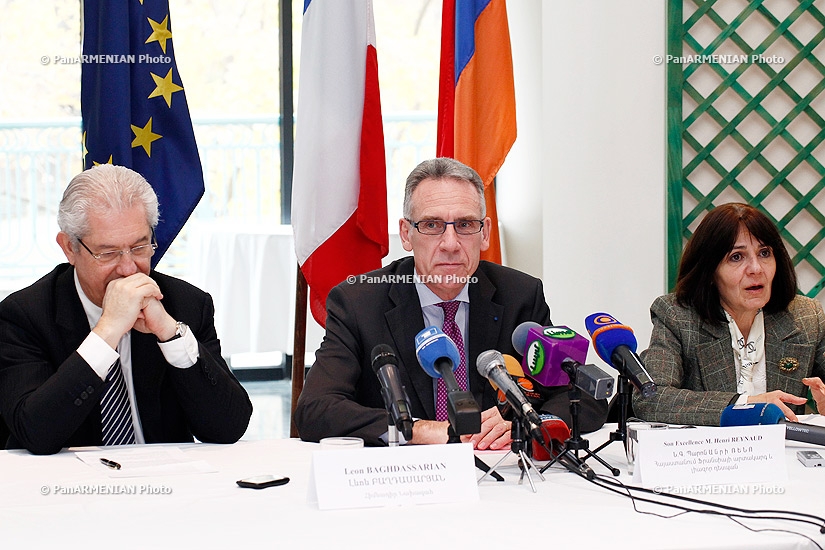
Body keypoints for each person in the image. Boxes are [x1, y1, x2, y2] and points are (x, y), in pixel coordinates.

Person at [294, 157, 607, 448]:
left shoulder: (519, 296)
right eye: (431, 225)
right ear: (406, 234)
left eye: (465, 225)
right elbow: (316, 410)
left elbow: (582, 396)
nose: (450, 244)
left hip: (498, 478)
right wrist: (422, 430)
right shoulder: (359, 302)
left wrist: (525, 421)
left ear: (484, 233)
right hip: (403, 483)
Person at [0, 164, 252, 454]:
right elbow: (35, 434)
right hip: (69, 488)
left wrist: (170, 335)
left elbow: (228, 428)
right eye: (108, 253)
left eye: (140, 247)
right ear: (69, 248)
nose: (128, 268)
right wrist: (106, 332)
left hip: (167, 483)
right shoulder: (23, 316)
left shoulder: (186, 304)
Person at [633, 203, 825, 426]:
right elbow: (651, 399)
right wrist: (745, 404)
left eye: (764, 253)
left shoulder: (806, 317)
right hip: (707, 456)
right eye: (736, 257)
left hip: (782, 455)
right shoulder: (677, 316)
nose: (756, 268)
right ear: (710, 271)